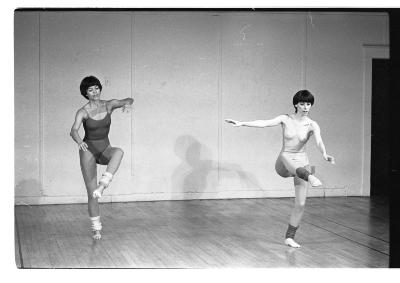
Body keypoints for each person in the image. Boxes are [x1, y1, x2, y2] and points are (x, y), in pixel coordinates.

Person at [225, 90, 335, 248]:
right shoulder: (285, 118)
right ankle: (309, 176)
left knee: (301, 204)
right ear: (296, 104)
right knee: (286, 156)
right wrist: (242, 123)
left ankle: (289, 237)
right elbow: (264, 123)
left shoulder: (312, 124)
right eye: (302, 103)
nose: (306, 107)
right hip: (284, 164)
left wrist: (324, 154)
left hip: (301, 163)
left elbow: (319, 141)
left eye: (308, 104)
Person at [70, 75, 134, 240]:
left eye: (97, 88)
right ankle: (96, 228)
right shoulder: (83, 112)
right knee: (91, 193)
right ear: (86, 93)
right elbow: (74, 130)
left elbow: (129, 99)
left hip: (105, 148)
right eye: (90, 90)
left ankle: (103, 186)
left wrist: (127, 104)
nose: (95, 91)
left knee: (118, 151)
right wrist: (79, 141)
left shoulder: (109, 105)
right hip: (88, 150)